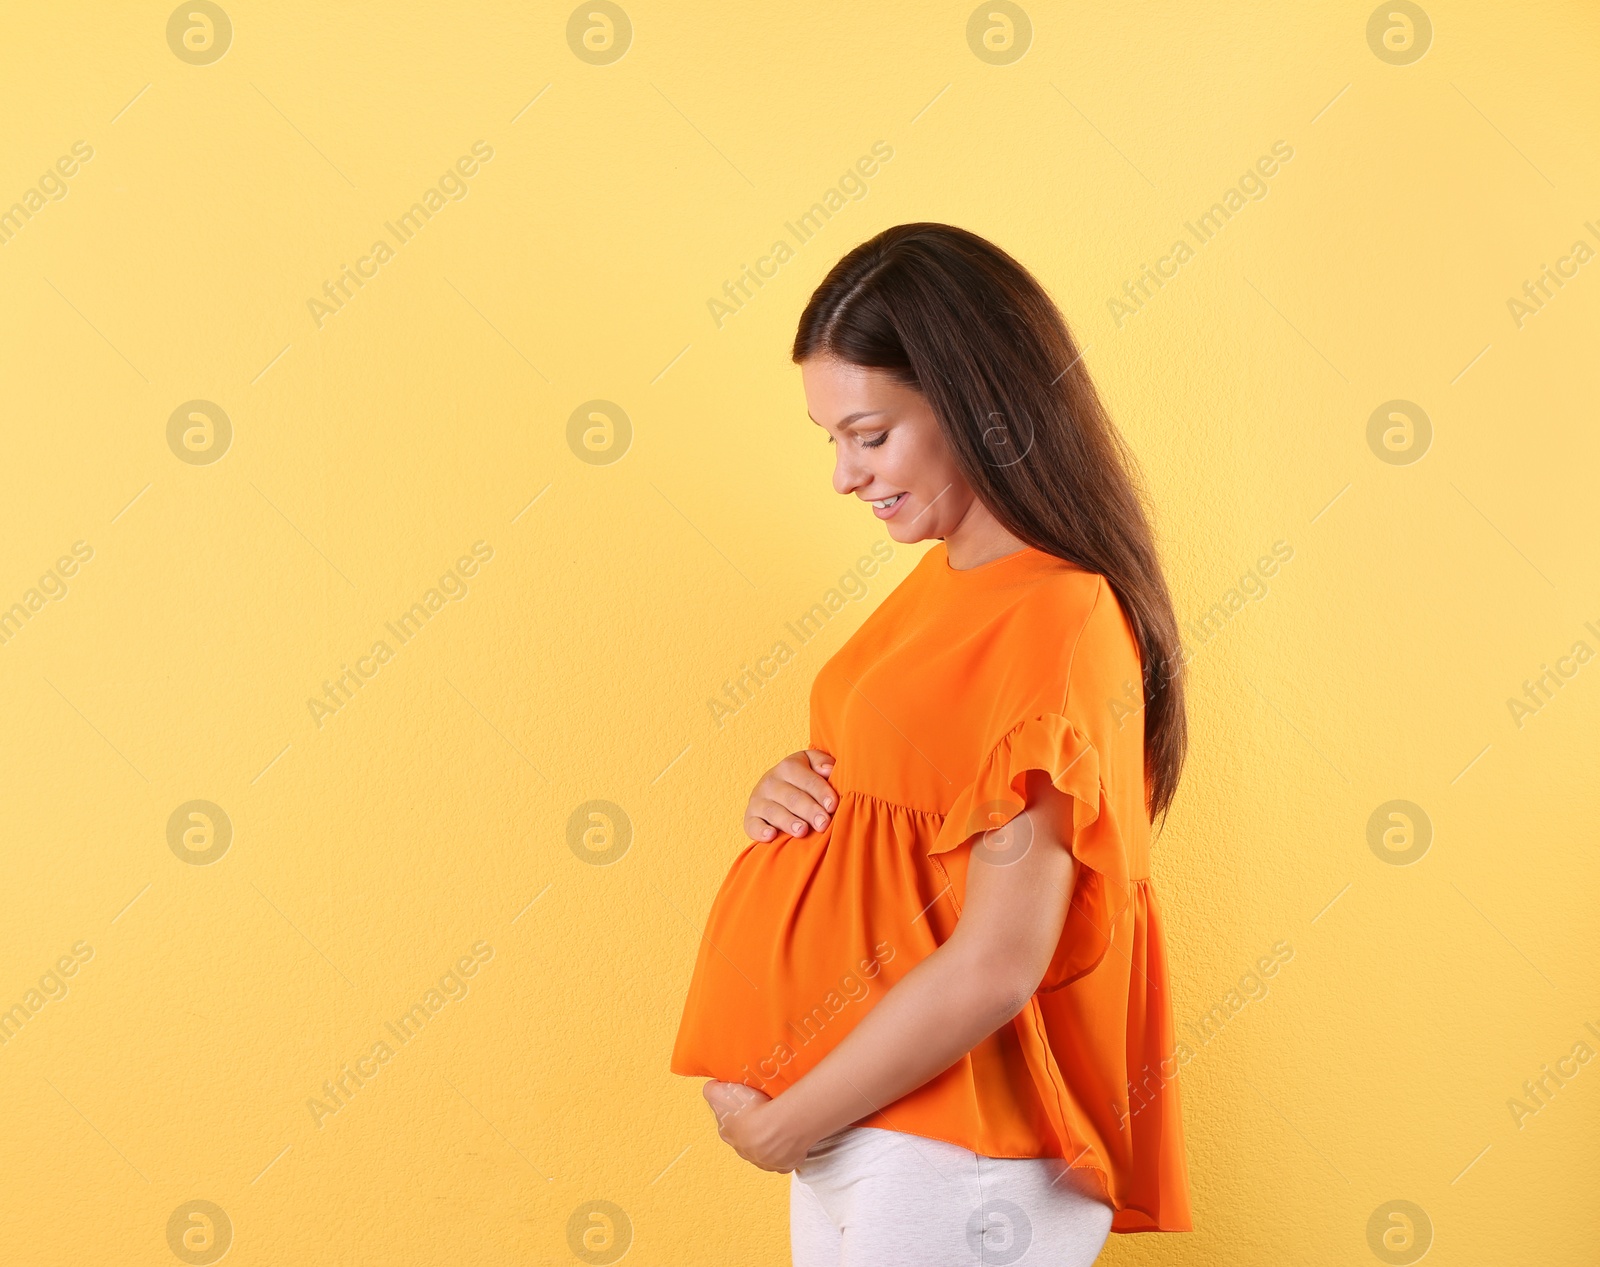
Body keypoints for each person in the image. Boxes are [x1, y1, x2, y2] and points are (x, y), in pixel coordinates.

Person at [670, 222, 1193, 1266]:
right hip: (884, 1132)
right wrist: (795, 796)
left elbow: (1000, 959)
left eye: (868, 434)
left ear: (974, 406)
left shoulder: (1058, 615)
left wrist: (783, 1121)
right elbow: (909, 818)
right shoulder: (946, 581)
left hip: (955, 1150)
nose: (843, 475)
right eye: (830, 440)